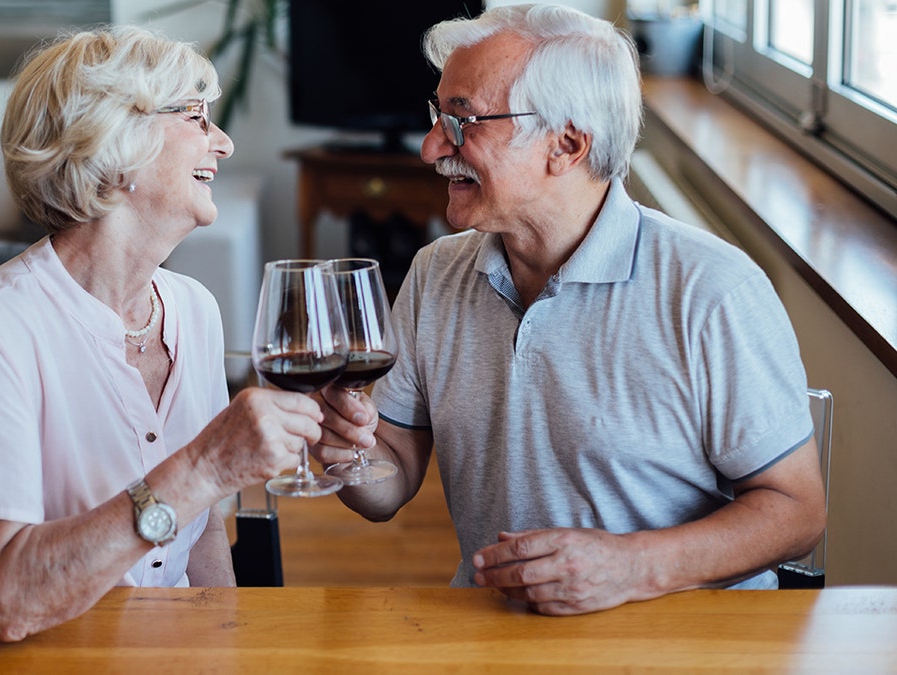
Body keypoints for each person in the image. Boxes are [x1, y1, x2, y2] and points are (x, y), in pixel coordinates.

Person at [313, 4, 826, 615]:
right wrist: (350, 453)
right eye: (437, 116)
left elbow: (797, 513)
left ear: (567, 144)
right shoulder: (435, 275)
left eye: (462, 122)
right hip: (501, 635)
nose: (430, 148)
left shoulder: (711, 291)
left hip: (685, 647)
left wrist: (632, 567)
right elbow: (390, 479)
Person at [0, 25, 323, 642]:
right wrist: (205, 466)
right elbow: (8, 600)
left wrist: (229, 646)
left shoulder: (195, 309)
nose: (225, 142)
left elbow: (204, 533)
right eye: (197, 117)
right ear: (115, 141)